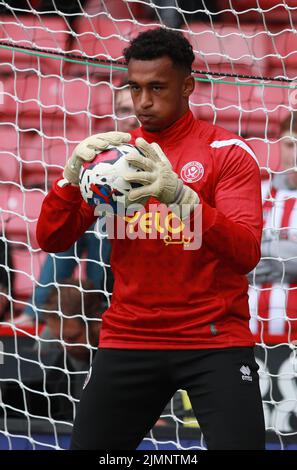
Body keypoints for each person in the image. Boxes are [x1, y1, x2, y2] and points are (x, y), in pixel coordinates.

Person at [36, 28, 265, 450]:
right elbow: (51, 238)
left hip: (211, 338)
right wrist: (69, 181)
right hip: (130, 336)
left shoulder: (228, 152)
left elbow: (246, 251)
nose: (143, 101)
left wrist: (180, 198)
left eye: (157, 88)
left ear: (187, 85)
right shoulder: (115, 160)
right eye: (136, 88)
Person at [20, 82, 138, 326]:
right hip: (100, 298)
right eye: (124, 110)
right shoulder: (102, 160)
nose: (132, 119)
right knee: (86, 220)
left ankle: (38, 312)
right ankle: (37, 311)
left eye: (136, 108)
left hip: (145, 290)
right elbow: (56, 236)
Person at [249, 113, 297, 344]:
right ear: (279, 144)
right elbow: (235, 254)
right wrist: (286, 250)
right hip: (248, 332)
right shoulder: (256, 192)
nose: (295, 155)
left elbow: (249, 255)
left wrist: (262, 249)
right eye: (290, 145)